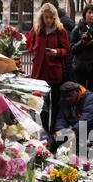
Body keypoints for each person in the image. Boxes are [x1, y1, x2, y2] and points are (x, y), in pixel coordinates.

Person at [28, 3, 70, 134]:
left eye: (51, 17)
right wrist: (33, 50)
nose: (49, 20)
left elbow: (66, 49)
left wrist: (57, 52)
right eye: (46, 17)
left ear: (55, 17)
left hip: (54, 70)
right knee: (43, 102)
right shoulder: (37, 29)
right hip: (39, 71)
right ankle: (45, 128)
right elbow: (29, 41)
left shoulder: (60, 30)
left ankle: (54, 128)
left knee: (56, 101)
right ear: (42, 17)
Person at [70, 4, 93, 95]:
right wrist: (82, 42)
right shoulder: (77, 29)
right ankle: (80, 109)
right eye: (89, 12)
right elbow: (72, 49)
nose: (91, 15)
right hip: (80, 66)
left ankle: (91, 109)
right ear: (85, 14)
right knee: (80, 93)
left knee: (92, 92)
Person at [41, 0, 76, 82]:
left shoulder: (61, 26)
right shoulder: (41, 25)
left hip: (60, 66)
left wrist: (57, 52)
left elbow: (66, 47)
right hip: (53, 67)